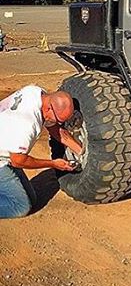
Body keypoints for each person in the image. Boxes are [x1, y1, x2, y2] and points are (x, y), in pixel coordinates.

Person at [0, 85, 81, 219]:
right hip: (6, 159)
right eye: (59, 120)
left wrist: (80, 150)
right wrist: (53, 164)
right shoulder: (26, 124)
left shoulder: (35, 92)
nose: (59, 123)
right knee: (21, 206)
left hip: (6, 145)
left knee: (32, 198)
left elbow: (55, 129)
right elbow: (18, 161)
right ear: (49, 108)